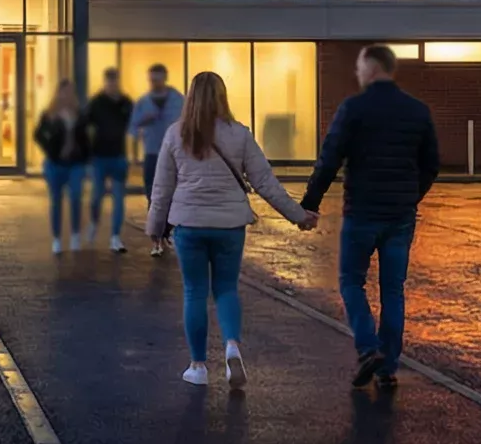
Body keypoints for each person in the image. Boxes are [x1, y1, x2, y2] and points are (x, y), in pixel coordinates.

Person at [145, 70, 318, 388]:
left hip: (189, 225)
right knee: (225, 289)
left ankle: (198, 367)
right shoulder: (239, 134)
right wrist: (298, 216)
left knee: (195, 292)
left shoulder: (175, 134)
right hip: (230, 226)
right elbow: (265, 182)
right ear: (223, 97)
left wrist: (155, 227)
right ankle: (232, 347)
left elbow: (162, 188)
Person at [300, 43, 440, 389]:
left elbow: (329, 158)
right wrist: (411, 196)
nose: (357, 74)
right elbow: (431, 165)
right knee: (393, 289)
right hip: (400, 215)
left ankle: (367, 348)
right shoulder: (417, 111)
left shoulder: (354, 109)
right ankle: (388, 367)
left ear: (373, 68)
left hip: (361, 211)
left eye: (360, 68)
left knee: (351, 281)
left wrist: (310, 202)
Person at [129, 64, 185, 256]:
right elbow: (133, 127)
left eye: (157, 79)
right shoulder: (143, 102)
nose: (154, 83)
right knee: (153, 196)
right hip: (152, 154)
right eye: (152, 80)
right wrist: (135, 153)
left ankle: (168, 233)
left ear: (165, 78)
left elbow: (188, 125)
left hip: (175, 155)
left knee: (173, 195)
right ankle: (156, 240)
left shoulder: (179, 100)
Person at [33, 79, 91, 255]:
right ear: (58, 93)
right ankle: (57, 239)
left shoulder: (79, 114)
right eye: (63, 92)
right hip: (55, 163)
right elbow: (37, 134)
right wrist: (50, 148)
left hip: (75, 164)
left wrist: (86, 158)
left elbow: (85, 139)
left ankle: (74, 235)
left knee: (75, 198)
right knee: (56, 201)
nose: (66, 95)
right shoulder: (50, 114)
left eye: (69, 92)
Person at [81, 67, 134, 252]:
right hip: (99, 158)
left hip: (119, 157)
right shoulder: (96, 102)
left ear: (118, 81)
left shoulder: (126, 102)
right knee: (96, 197)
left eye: (115, 81)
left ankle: (115, 237)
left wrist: (133, 155)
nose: (112, 85)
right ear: (105, 82)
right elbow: (84, 125)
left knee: (119, 199)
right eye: (109, 82)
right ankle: (94, 222)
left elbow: (133, 127)